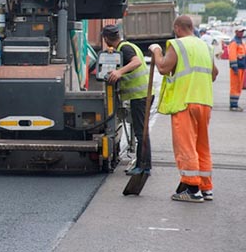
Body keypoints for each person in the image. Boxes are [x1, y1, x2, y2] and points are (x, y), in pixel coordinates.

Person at [149, 15, 218, 203]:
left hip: (185, 102)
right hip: (204, 102)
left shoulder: (178, 45)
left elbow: (163, 67)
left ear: (178, 28)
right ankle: (206, 188)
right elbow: (214, 74)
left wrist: (156, 50)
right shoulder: (206, 47)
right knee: (201, 145)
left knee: (185, 145)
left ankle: (192, 188)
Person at [101, 24, 151, 175]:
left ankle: (144, 167)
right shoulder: (125, 46)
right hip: (141, 95)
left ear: (106, 39)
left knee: (141, 132)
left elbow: (136, 62)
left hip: (140, 96)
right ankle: (143, 165)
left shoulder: (124, 48)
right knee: (140, 131)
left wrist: (119, 72)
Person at [228, 26, 246, 111]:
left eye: (242, 31)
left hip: (242, 68)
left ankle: (235, 104)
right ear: (236, 32)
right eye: (240, 31)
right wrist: (234, 67)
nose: (241, 33)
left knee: (239, 86)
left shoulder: (241, 43)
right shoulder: (234, 42)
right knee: (235, 86)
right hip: (237, 68)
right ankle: (233, 105)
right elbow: (232, 56)